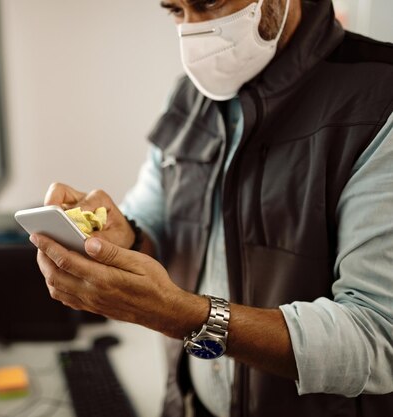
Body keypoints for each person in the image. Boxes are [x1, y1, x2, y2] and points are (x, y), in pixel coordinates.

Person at [29, 0, 393, 416]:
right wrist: (118, 236)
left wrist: (181, 316)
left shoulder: (379, 101)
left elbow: (378, 335)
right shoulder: (188, 98)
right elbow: (151, 220)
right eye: (175, 11)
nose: (193, 32)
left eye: (209, 4)